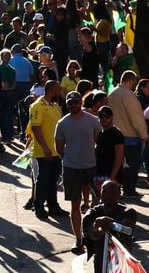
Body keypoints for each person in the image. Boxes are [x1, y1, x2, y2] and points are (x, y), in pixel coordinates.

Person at [55, 90, 101, 253]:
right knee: (75, 204)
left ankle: (97, 236)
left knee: (99, 203)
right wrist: (70, 159)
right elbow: (59, 148)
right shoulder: (62, 123)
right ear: (67, 105)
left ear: (81, 103)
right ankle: (78, 239)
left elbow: (99, 142)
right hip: (71, 168)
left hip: (91, 167)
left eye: (76, 102)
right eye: (70, 103)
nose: (74, 105)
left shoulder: (93, 121)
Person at [107, 70, 148, 197]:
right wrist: (143, 134)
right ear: (130, 81)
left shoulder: (112, 93)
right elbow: (135, 116)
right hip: (129, 136)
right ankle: (129, 190)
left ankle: (116, 189)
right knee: (131, 165)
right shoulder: (129, 95)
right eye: (135, 82)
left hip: (113, 135)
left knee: (117, 165)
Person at [82, 180, 136, 273]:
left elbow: (126, 228)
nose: (108, 195)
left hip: (122, 261)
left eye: (112, 192)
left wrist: (109, 222)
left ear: (119, 194)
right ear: (100, 193)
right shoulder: (92, 212)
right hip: (101, 260)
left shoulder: (128, 212)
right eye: (105, 191)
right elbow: (91, 233)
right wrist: (100, 230)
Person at [29, 79, 64, 219]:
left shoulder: (56, 106)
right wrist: (45, 148)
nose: (60, 91)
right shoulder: (37, 106)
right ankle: (38, 206)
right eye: (58, 89)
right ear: (51, 90)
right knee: (43, 180)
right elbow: (35, 128)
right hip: (43, 151)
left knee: (53, 179)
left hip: (56, 151)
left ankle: (53, 206)